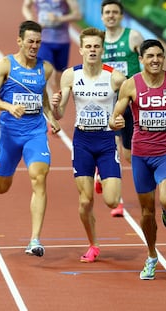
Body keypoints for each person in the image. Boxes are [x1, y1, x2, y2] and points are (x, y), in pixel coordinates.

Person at [109, 39, 166, 280]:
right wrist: (117, 122)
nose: (155, 60)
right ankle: (152, 256)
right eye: (150, 56)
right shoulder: (130, 85)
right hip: (141, 155)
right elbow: (114, 117)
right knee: (146, 212)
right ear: (141, 59)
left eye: (159, 56)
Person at [0, 20, 61, 257]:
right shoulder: (6, 65)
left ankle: (35, 239)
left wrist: (51, 117)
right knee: (1, 188)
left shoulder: (45, 69)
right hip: (9, 135)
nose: (34, 46)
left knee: (39, 177)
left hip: (35, 133)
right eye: (30, 41)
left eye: (38, 42)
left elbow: (42, 99)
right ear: (20, 41)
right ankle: (6, 165)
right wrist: (8, 106)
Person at [51, 27, 126, 263]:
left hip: (105, 141)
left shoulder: (115, 77)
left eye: (96, 46)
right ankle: (93, 245)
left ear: (102, 49)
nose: (92, 50)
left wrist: (120, 119)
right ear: (81, 49)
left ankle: (100, 178)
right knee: (85, 202)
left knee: (112, 201)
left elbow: (126, 108)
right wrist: (55, 106)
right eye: (88, 46)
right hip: (82, 141)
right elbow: (61, 112)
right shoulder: (70, 76)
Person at [95, 0, 145, 217]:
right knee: (112, 149)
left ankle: (100, 175)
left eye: (115, 12)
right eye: (107, 12)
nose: (111, 16)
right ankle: (118, 200)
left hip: (131, 103)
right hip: (107, 103)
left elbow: (148, 62)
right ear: (102, 16)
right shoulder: (97, 41)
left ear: (121, 15)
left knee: (129, 154)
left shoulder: (133, 37)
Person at [22, 0, 82, 98]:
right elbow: (26, 6)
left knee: (59, 78)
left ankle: (56, 101)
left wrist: (59, 18)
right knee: (45, 71)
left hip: (62, 41)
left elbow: (77, 15)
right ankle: (46, 99)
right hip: (43, 40)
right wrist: (31, 20)